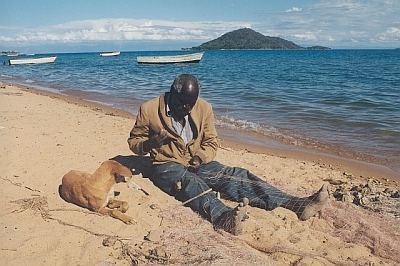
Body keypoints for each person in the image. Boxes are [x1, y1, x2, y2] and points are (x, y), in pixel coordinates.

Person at [128, 74, 329, 235]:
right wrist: (150, 143)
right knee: (190, 183)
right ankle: (224, 218)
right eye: (183, 103)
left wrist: (200, 158)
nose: (187, 108)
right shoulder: (149, 109)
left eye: (191, 103)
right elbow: (134, 143)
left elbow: (211, 142)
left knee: (236, 176)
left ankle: (296, 204)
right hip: (166, 165)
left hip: (196, 161)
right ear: (172, 94)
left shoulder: (203, 108)